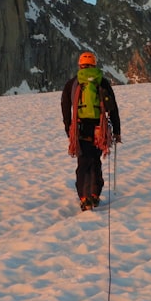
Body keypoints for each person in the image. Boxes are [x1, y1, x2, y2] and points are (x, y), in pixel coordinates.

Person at [61, 51, 122, 211]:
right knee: (95, 161)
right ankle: (94, 195)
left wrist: (69, 128)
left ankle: (83, 197)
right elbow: (113, 108)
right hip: (98, 129)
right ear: (94, 65)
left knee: (83, 162)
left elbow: (65, 107)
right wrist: (116, 130)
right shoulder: (102, 82)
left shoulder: (72, 84)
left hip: (79, 128)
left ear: (80, 65)